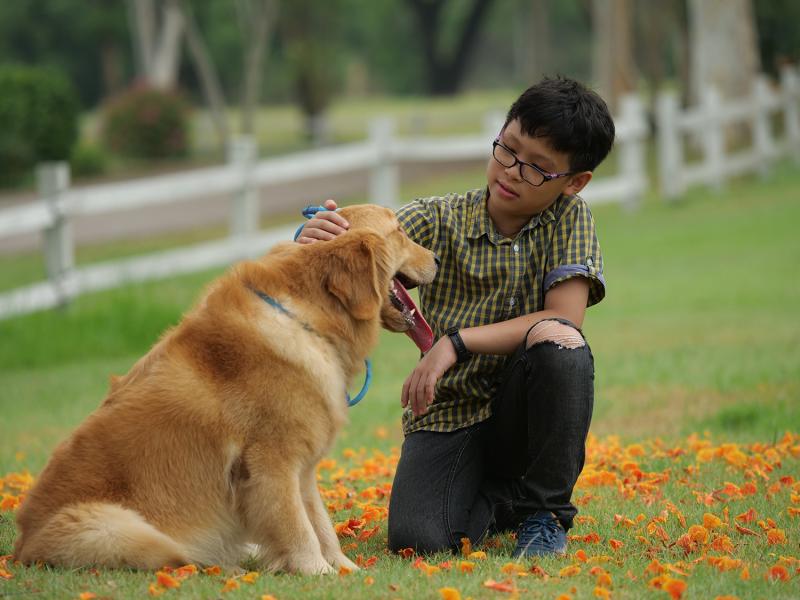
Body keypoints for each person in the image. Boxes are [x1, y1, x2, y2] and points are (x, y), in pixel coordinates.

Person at [296, 76, 615, 558]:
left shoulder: (571, 218)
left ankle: (545, 512)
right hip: (450, 412)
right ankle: (503, 497)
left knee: (561, 347)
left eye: (536, 169)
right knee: (418, 541)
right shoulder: (441, 218)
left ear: (573, 182)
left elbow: (564, 320)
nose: (510, 172)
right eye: (507, 150)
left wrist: (455, 342)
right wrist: (317, 236)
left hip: (525, 408)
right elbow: (375, 239)